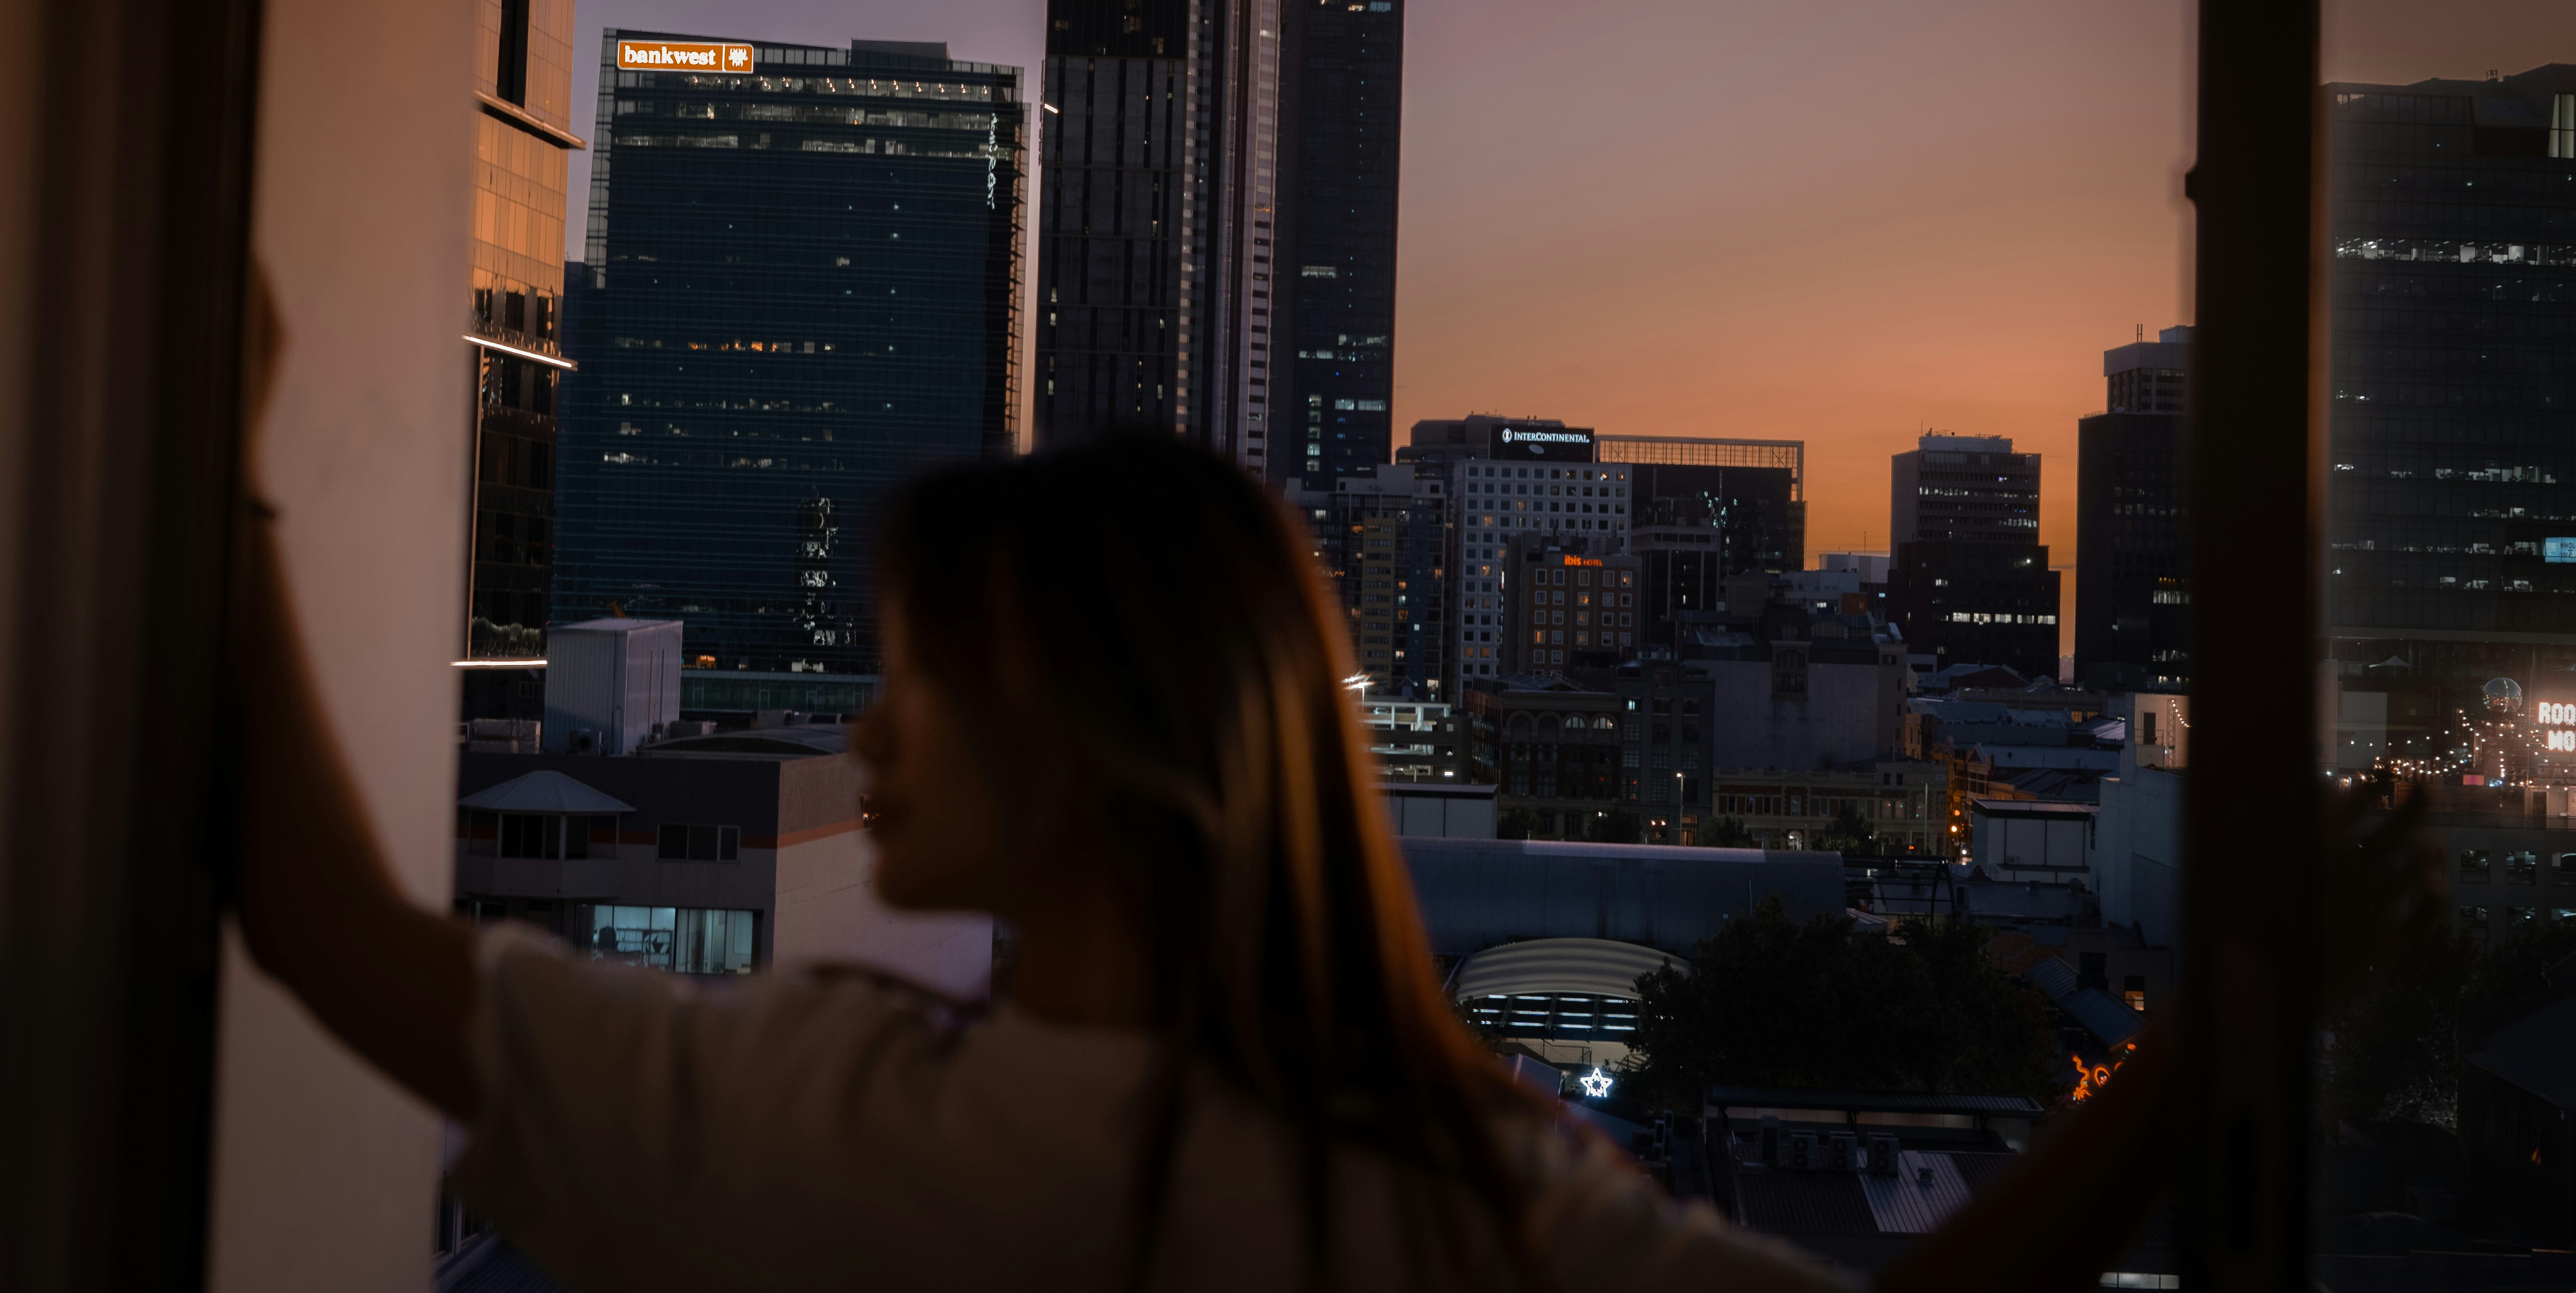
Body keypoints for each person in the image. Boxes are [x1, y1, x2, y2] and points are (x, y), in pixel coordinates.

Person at [234, 304, 2214, 1288]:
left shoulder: (822, 1101)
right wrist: (2222, 1062)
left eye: (928, 684)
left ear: (1092, 744)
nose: (877, 742)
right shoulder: (1467, 1197)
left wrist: (222, 475)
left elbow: (322, 922)